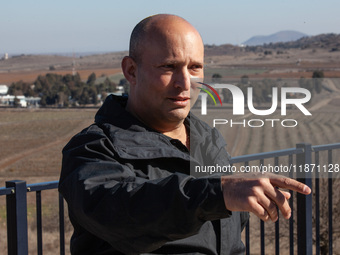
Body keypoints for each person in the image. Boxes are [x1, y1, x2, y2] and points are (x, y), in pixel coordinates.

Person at [59, 14, 311, 255]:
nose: (185, 83)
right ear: (131, 71)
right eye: (169, 67)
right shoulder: (92, 149)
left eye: (195, 68)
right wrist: (217, 193)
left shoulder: (208, 139)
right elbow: (120, 212)